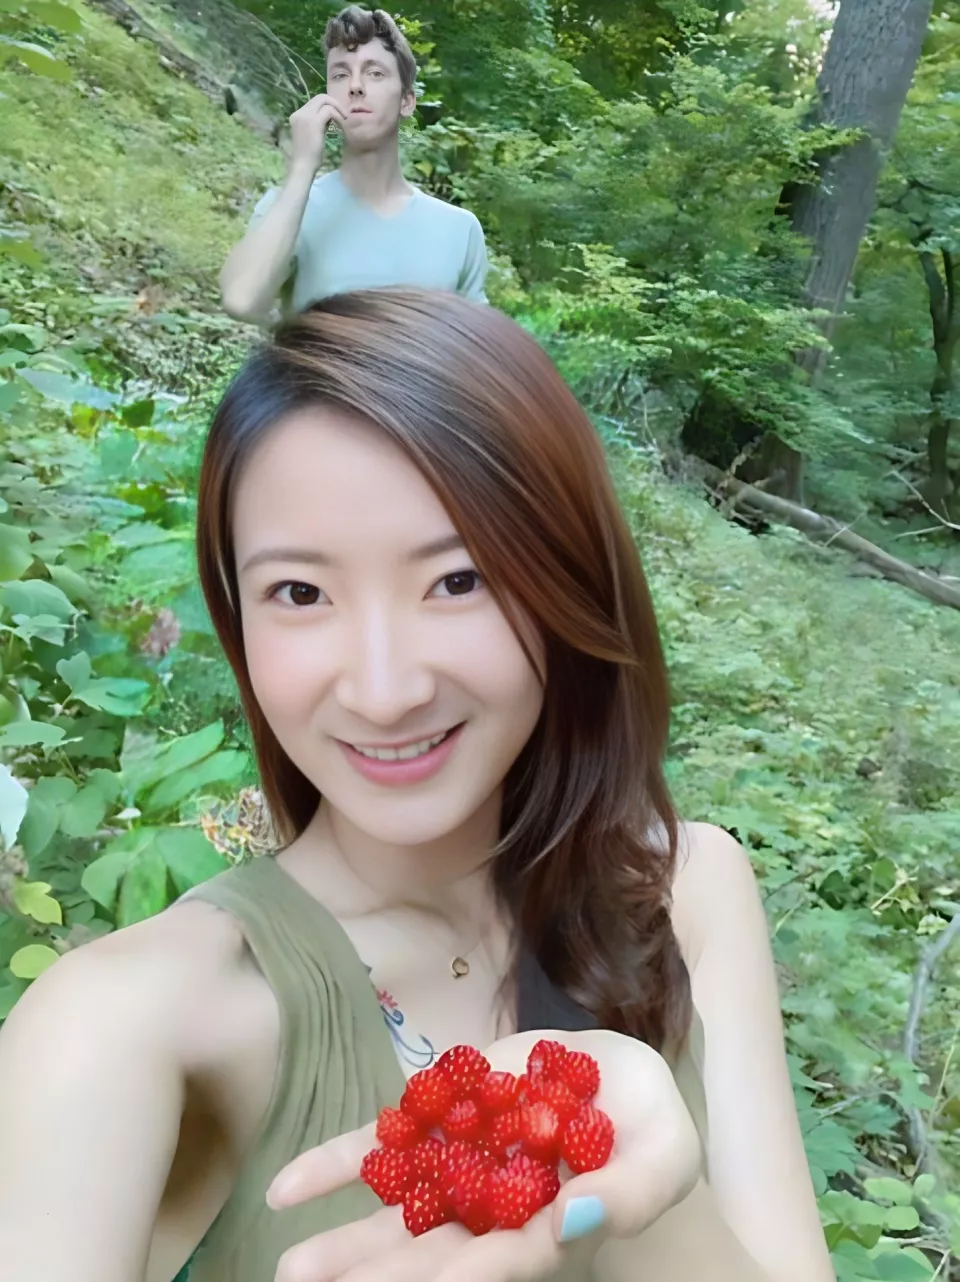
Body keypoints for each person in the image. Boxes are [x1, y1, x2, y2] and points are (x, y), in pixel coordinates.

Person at [0, 290, 835, 1282]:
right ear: (237, 619)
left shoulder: (686, 891)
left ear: (569, 582)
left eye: (458, 579)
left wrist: (622, 1180)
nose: (385, 689)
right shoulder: (124, 1024)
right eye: (300, 593)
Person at [219, 6, 489, 324]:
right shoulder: (289, 208)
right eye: (340, 75)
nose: (355, 86)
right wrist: (302, 166)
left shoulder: (459, 230)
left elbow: (476, 346)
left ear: (406, 101)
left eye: (375, 73)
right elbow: (241, 302)